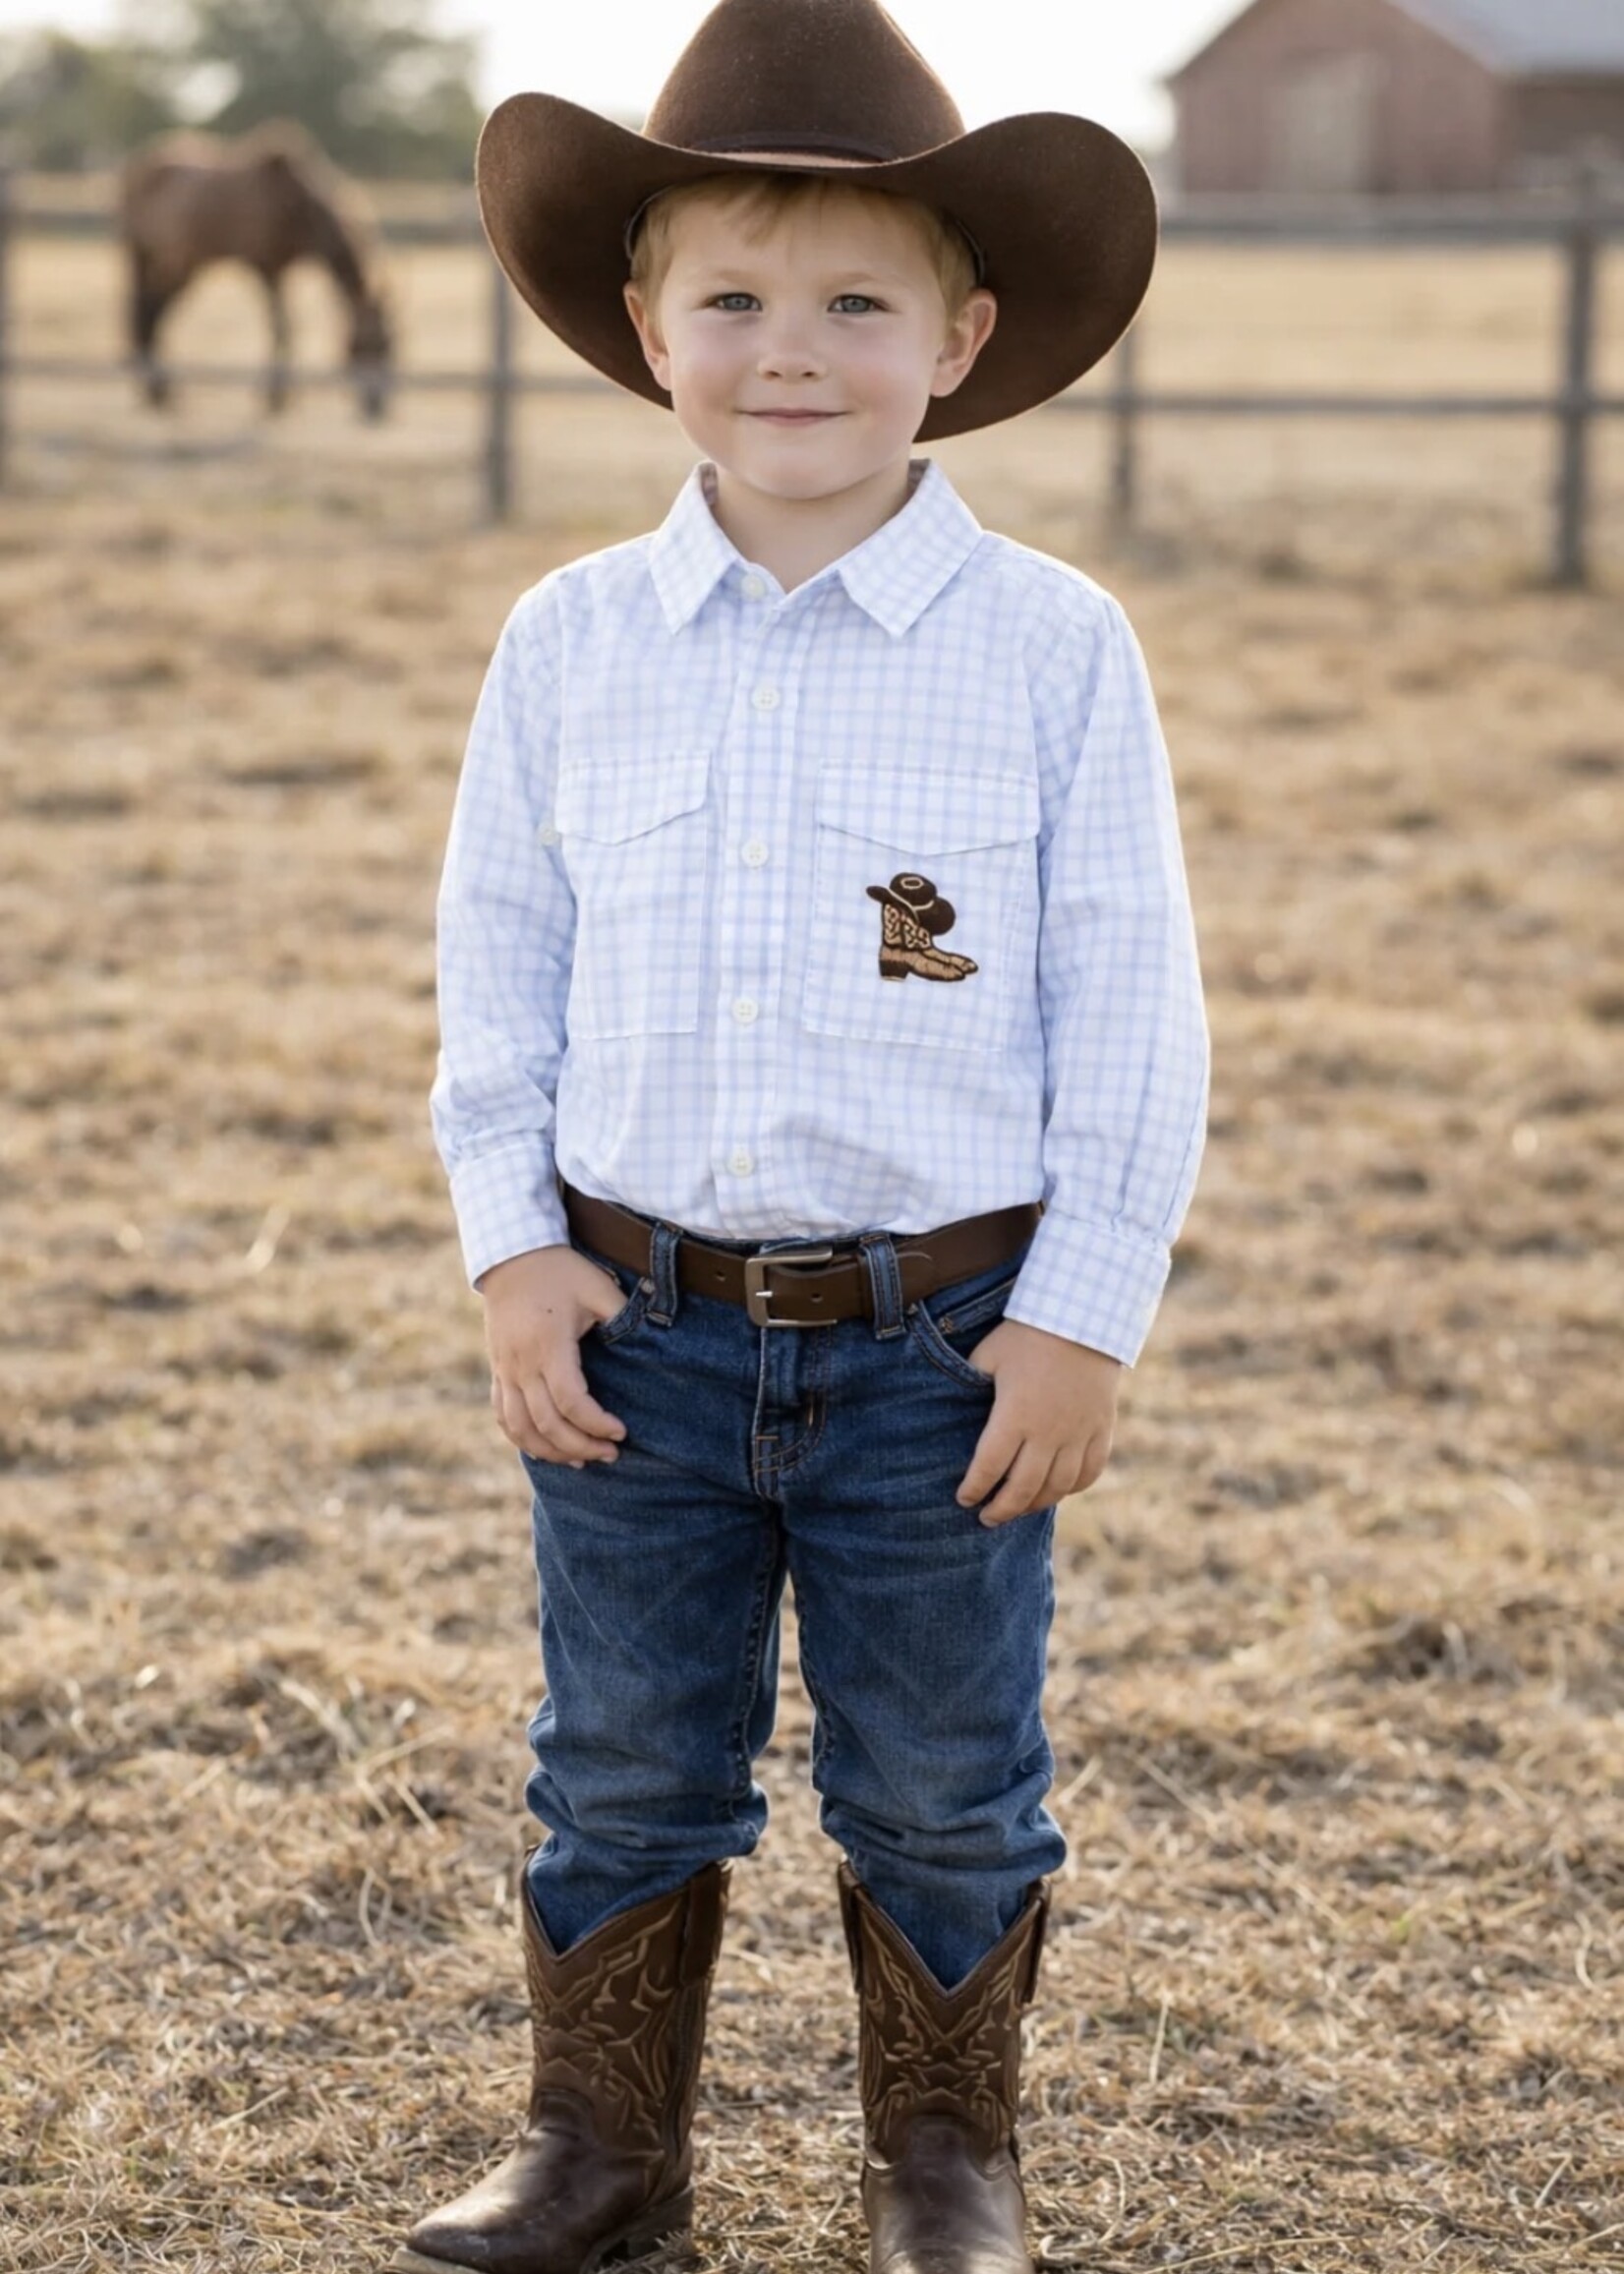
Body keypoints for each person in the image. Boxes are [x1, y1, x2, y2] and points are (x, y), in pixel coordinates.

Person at [396, 3, 1207, 2271]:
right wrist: (506, 1242)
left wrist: (1082, 1309)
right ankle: (602, 2149)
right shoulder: (571, 644)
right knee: (622, 1753)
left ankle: (944, 2159)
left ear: (958, 336)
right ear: (646, 327)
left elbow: (1134, 999)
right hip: (631, 1326)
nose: (791, 351)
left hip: (938, 1342)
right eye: (732, 297)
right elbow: (500, 968)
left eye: (856, 299)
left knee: (944, 1776)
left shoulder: (1052, 649)